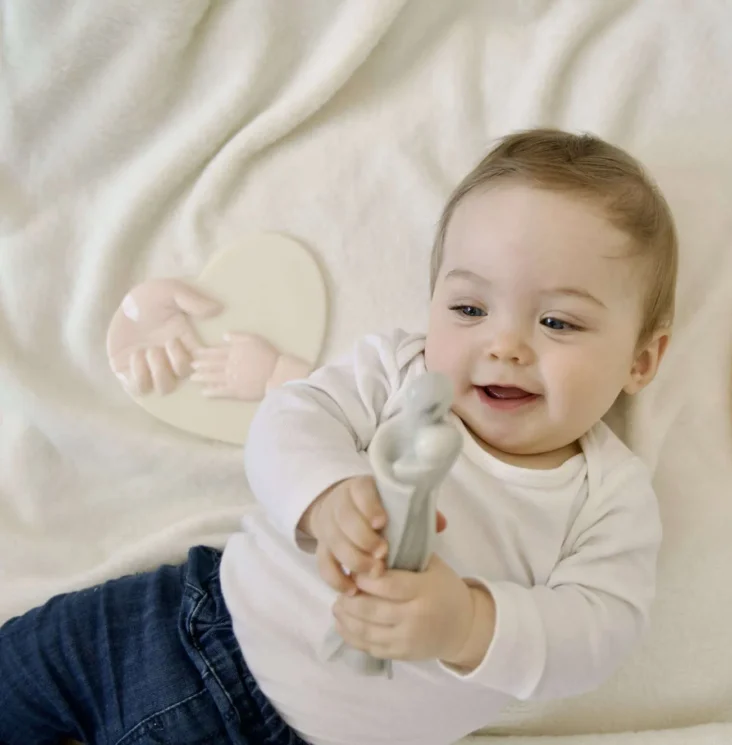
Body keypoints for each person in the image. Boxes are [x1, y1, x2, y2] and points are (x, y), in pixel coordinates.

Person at [0, 128, 678, 745]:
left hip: (305, 735)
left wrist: (468, 622)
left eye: (558, 322)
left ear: (641, 359)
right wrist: (324, 494)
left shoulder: (608, 497)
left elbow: (600, 632)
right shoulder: (398, 369)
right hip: (187, 623)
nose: (504, 345)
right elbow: (291, 418)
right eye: (469, 307)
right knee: (20, 670)